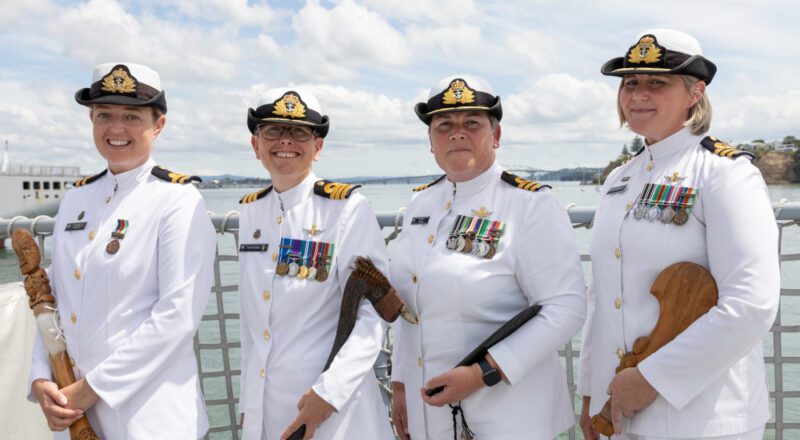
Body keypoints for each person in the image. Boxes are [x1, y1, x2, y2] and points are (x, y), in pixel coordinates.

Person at [578, 29, 779, 439]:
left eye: (657, 83)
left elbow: (752, 302)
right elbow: (602, 298)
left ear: (695, 93)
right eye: (630, 83)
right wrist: (590, 393)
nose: (638, 95)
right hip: (619, 411)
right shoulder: (620, 179)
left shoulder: (725, 173)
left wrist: (652, 378)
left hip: (705, 418)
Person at [389, 74, 587, 439]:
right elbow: (410, 308)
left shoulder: (530, 204)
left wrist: (484, 373)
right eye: (444, 125)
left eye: (472, 124)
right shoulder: (421, 203)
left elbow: (565, 308)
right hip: (427, 413)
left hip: (509, 413)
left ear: (496, 136)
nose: (457, 133)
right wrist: (400, 384)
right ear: (431, 142)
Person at [27, 62, 217, 439]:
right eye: (104, 115)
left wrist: (90, 389)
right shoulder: (76, 198)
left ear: (158, 125)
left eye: (131, 116)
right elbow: (54, 302)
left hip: (150, 417)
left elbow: (176, 317)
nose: (116, 128)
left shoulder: (177, 200)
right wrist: (40, 378)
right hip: (75, 414)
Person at [237, 87, 394, 440]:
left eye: (300, 132)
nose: (285, 140)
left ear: (317, 147)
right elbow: (253, 326)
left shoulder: (346, 209)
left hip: (336, 410)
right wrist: (249, 406)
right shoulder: (251, 212)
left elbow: (373, 313)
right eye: (273, 130)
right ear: (256, 144)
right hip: (265, 409)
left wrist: (330, 393)